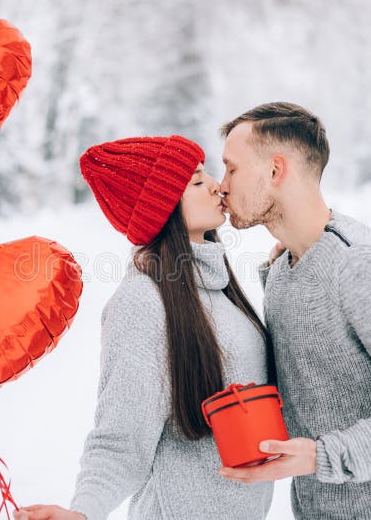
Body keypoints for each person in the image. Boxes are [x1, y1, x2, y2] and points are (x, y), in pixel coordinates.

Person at [215, 102, 371, 519]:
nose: (222, 185)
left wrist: (323, 456)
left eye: (232, 169)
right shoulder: (283, 270)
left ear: (275, 171)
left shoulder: (357, 265)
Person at [14, 135, 274, 520]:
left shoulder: (221, 291)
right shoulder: (143, 303)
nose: (218, 185)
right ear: (164, 207)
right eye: (198, 182)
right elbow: (120, 438)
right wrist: (83, 511)